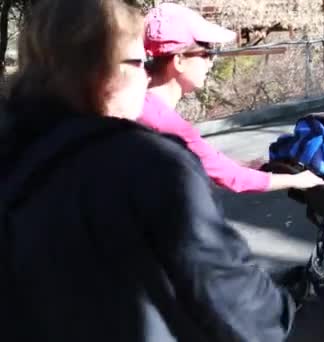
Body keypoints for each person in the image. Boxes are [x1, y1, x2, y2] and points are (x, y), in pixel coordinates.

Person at [0, 1, 295, 341]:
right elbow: (237, 304)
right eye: (140, 62)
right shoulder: (149, 166)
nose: (146, 75)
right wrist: (287, 304)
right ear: (103, 72)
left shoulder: (17, 155)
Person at [138, 3, 324, 193]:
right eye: (206, 53)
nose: (212, 62)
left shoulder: (135, 103)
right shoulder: (165, 125)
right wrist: (297, 180)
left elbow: (208, 161)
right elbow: (233, 179)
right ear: (179, 60)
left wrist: (241, 165)